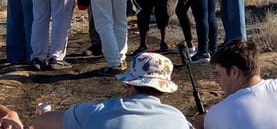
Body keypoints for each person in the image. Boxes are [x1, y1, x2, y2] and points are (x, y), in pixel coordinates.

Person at [30, 53, 193, 129]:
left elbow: (40, 122)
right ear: (164, 89)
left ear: (129, 84)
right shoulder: (178, 119)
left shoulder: (94, 112)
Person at [193, 39, 277, 129]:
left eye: (218, 74)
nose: (217, 81)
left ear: (234, 72)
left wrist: (203, 125)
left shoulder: (218, 113)